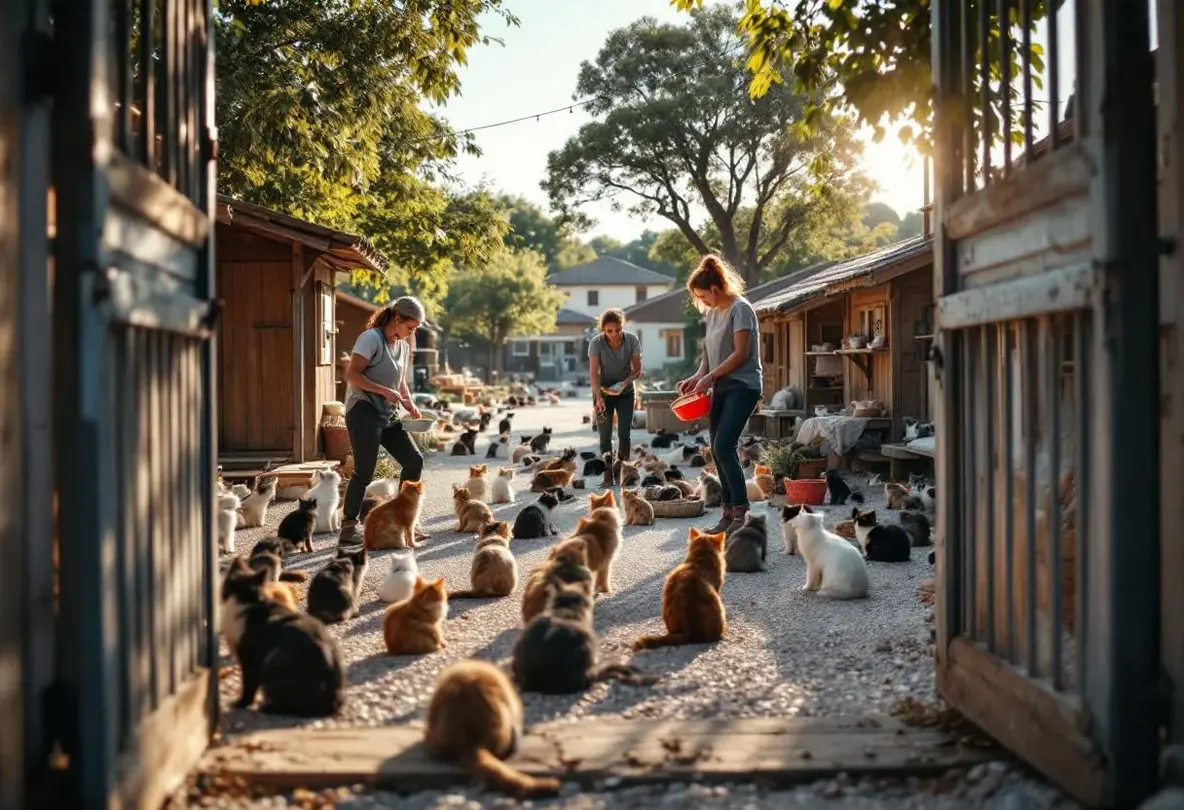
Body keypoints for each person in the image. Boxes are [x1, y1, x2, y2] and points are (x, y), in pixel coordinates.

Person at [677, 255, 763, 535]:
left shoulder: (741, 309)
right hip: (722, 385)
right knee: (716, 448)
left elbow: (740, 354)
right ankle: (727, 513)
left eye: (703, 295)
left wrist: (709, 377)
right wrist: (696, 377)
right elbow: (708, 356)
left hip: (744, 384)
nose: (702, 301)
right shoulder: (712, 313)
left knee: (725, 446)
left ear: (715, 288)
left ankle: (741, 512)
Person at [338, 296, 428, 546]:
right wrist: (382, 390)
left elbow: (399, 382)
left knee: (414, 460)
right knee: (364, 471)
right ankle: (348, 528)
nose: (412, 333)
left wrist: (409, 404)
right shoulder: (371, 339)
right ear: (397, 318)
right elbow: (352, 374)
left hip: (387, 413)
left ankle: (403, 518)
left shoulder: (403, 345)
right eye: (411, 327)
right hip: (363, 411)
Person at [587, 308, 642, 477]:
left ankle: (622, 468)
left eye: (617, 330)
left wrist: (623, 384)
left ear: (622, 327)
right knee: (604, 434)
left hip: (625, 392)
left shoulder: (632, 340)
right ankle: (608, 471)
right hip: (603, 391)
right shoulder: (596, 343)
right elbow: (594, 372)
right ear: (603, 329)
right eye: (609, 331)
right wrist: (598, 397)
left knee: (624, 433)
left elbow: (637, 370)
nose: (614, 334)